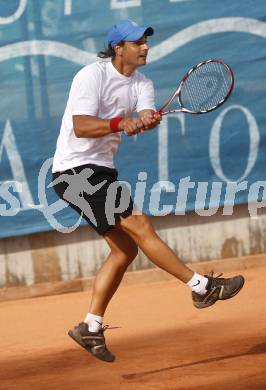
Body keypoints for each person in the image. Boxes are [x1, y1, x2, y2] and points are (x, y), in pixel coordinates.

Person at [51, 19, 245, 363]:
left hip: (100, 171)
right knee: (140, 225)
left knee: (125, 250)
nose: (145, 47)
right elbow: (81, 126)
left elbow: (142, 113)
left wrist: (145, 119)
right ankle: (202, 288)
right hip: (74, 171)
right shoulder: (91, 76)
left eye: (145, 42)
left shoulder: (143, 83)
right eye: (137, 42)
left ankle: (90, 326)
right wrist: (120, 123)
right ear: (117, 48)